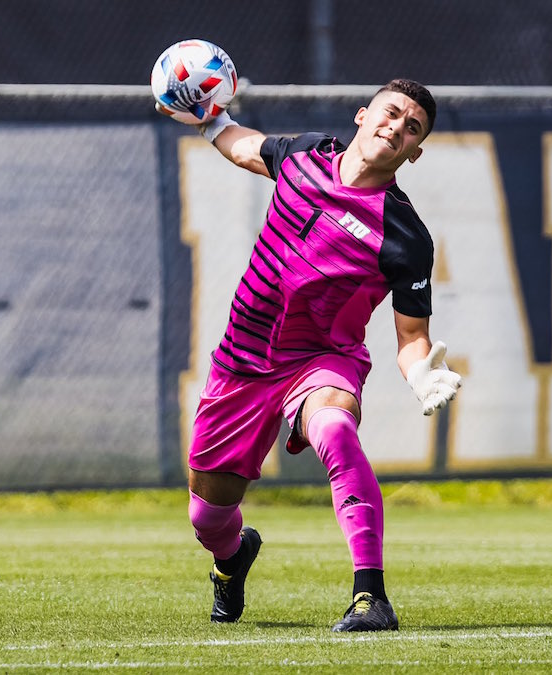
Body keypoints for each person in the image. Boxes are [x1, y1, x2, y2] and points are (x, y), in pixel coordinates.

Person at [168, 78, 461, 632]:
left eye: (412, 127)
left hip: (323, 358)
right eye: (391, 113)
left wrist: (422, 372)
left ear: (414, 153)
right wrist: (209, 119)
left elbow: (411, 336)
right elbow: (244, 145)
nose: (397, 126)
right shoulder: (304, 154)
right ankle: (231, 561)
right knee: (208, 517)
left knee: (333, 428)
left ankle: (370, 598)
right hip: (242, 362)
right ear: (362, 115)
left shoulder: (405, 236)